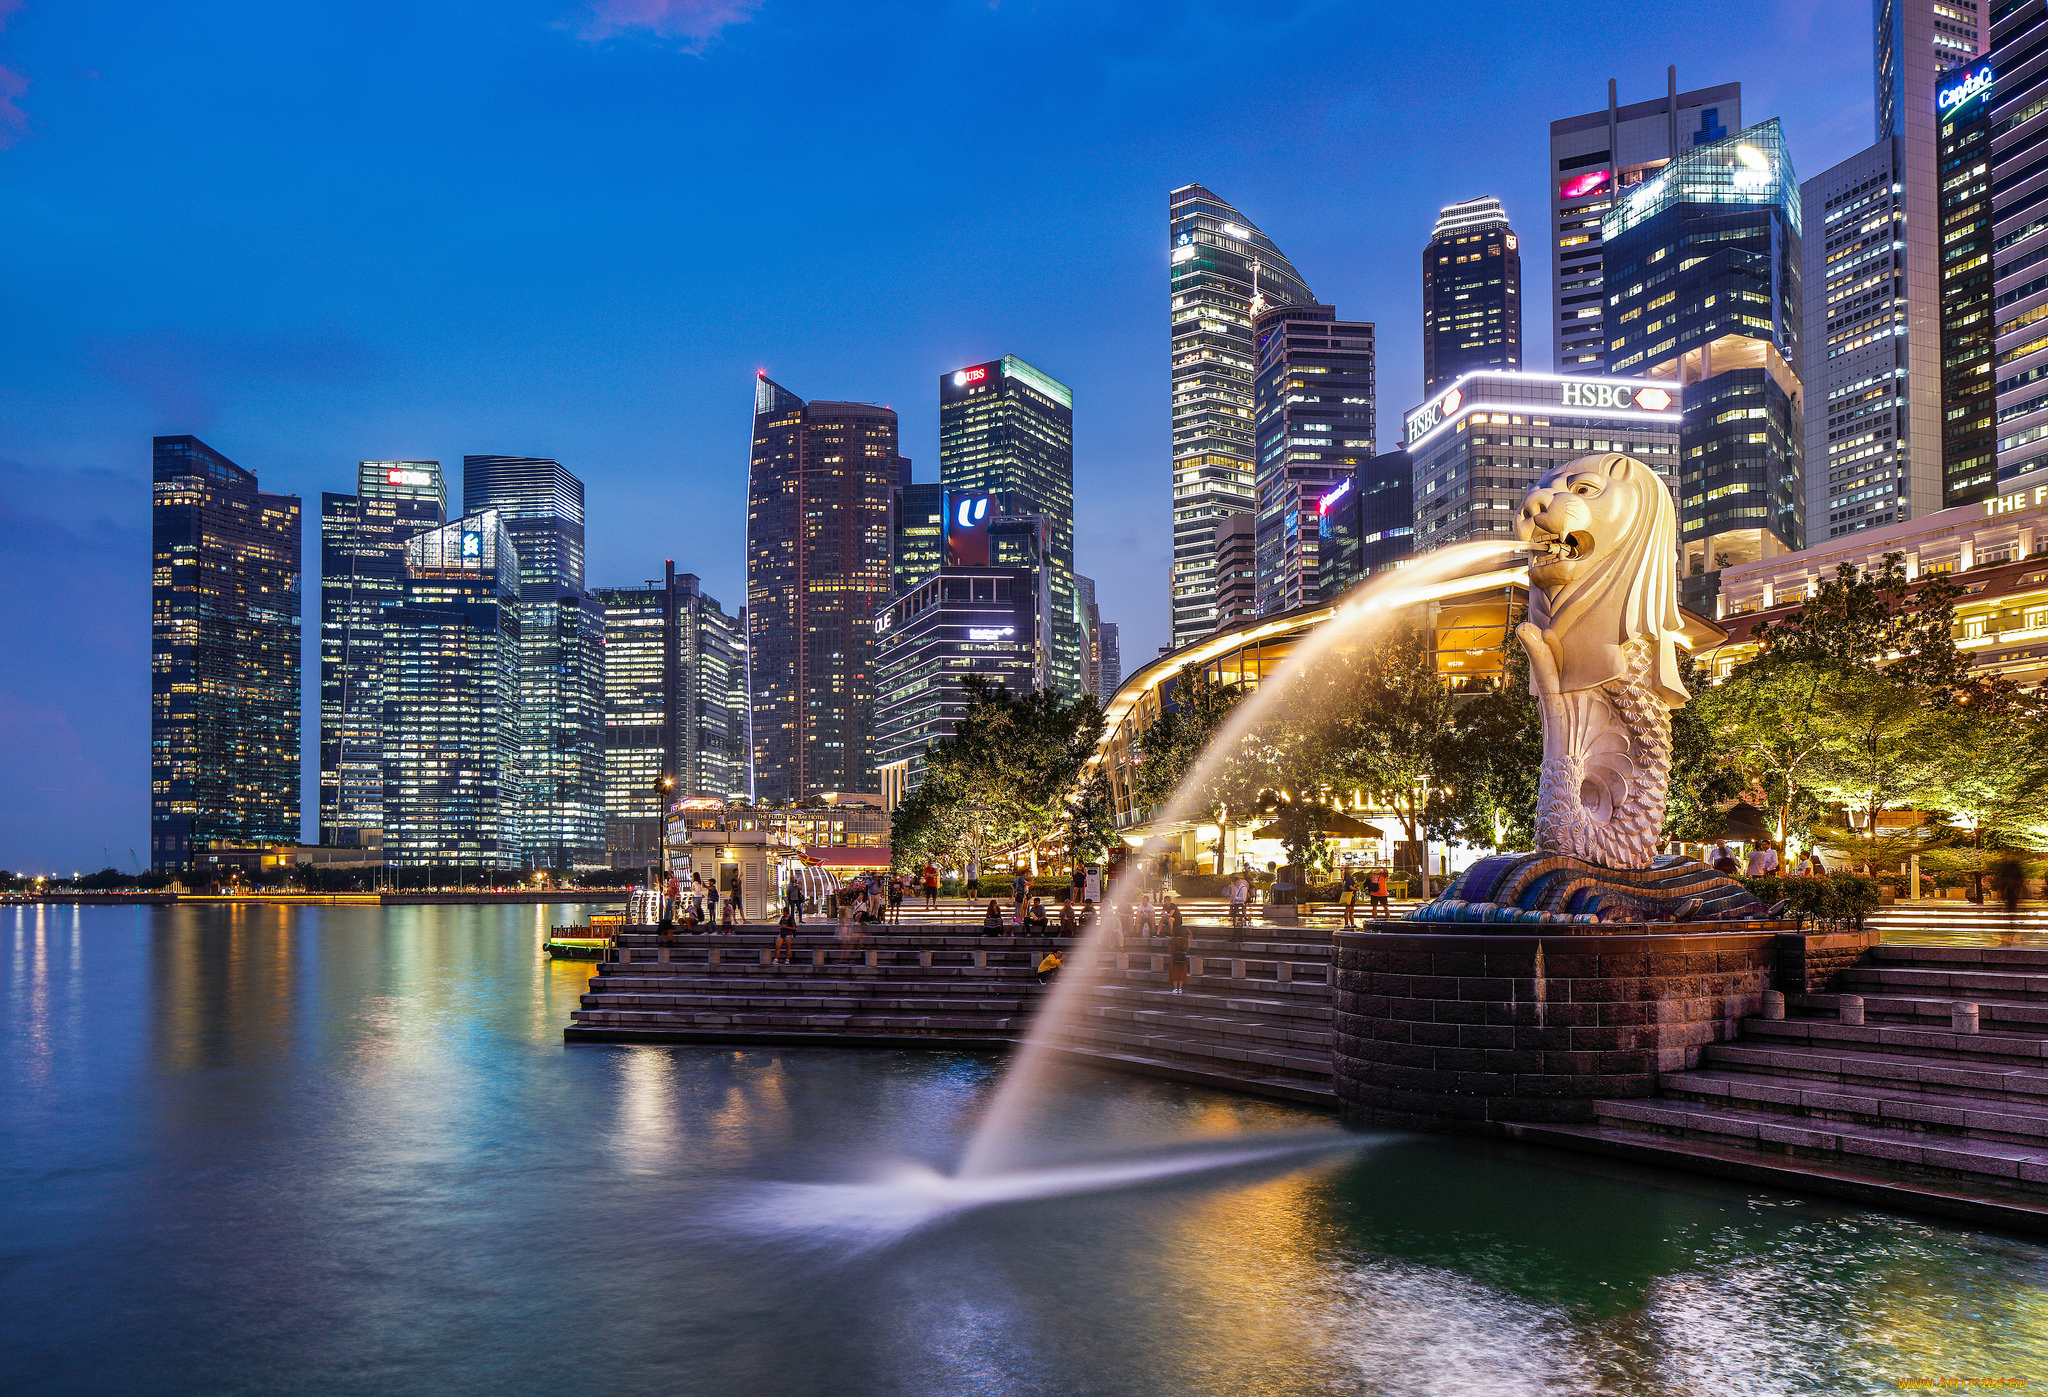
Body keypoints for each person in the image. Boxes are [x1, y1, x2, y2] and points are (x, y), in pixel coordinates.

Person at [1991, 856, 2028, 929]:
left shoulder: (2006, 868)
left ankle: (2011, 919)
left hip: (2010, 889)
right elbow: (2020, 879)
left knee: (2010, 904)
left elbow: (2002, 879)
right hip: (2012, 889)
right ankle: (2011, 919)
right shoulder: (2014, 868)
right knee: (2012, 904)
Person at [1167, 920, 1190, 994]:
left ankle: (1175, 988)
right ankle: (1180, 988)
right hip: (1182, 958)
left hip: (1174, 957)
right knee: (1181, 972)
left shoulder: (1172, 940)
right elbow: (1187, 948)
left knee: (1174, 972)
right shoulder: (1184, 940)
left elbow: (1170, 949)